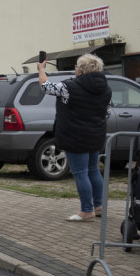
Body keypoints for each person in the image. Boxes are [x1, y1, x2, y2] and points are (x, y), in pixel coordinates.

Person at [38, 53, 112, 221]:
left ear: (81, 70)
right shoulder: (106, 89)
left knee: (80, 173)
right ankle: (99, 206)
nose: (75, 70)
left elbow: (45, 86)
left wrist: (41, 69)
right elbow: (105, 112)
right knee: (93, 170)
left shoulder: (68, 87)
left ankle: (86, 210)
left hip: (74, 136)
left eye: (77, 67)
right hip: (96, 135)